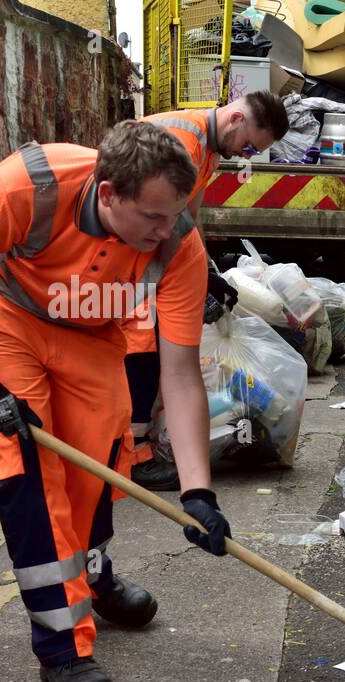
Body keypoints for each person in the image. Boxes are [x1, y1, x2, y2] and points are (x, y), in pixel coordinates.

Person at [0, 122, 233, 682]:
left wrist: (198, 491)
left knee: (98, 468)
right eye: (153, 217)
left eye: (176, 215)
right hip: (6, 314)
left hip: (89, 333)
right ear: (108, 195)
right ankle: (62, 648)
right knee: (32, 474)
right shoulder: (28, 188)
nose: (169, 231)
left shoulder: (179, 242)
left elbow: (180, 373)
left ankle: (92, 575)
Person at [128, 90, 290, 490]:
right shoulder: (185, 141)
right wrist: (192, 281)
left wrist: (208, 275)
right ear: (236, 119)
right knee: (142, 348)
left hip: (147, 254)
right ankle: (132, 455)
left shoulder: (207, 150)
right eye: (250, 146)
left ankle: (135, 442)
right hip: (130, 255)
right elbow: (168, 217)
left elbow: (189, 221)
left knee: (149, 346)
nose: (246, 157)